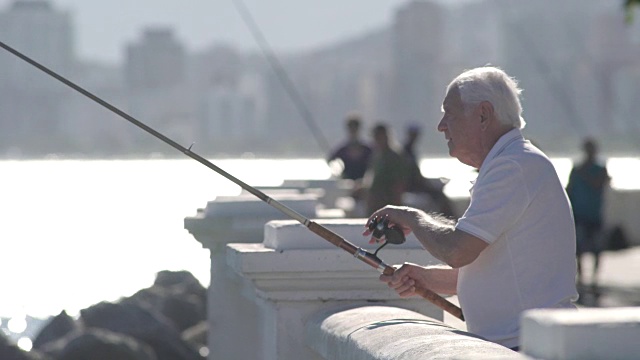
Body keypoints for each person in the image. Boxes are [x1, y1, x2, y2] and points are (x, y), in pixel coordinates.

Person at [363, 66, 578, 350]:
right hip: (521, 343)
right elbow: (492, 270)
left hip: (526, 346)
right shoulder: (512, 163)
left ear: (483, 115)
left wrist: (412, 217)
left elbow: (457, 250)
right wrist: (425, 278)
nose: (441, 126)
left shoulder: (511, 166)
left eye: (449, 113)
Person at [566, 137, 610, 285]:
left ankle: (595, 277)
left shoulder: (600, 169)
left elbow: (600, 184)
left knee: (597, 247)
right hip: (580, 214)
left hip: (595, 214)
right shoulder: (577, 169)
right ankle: (581, 275)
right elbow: (569, 190)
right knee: (579, 247)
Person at [401, 124, 456, 217]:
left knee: (437, 193)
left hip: (414, 183)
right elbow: (410, 174)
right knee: (438, 194)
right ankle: (449, 216)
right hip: (411, 185)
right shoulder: (406, 151)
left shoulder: (409, 150)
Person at [362, 123, 409, 215]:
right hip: (374, 202)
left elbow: (399, 183)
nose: (376, 140)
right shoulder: (376, 156)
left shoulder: (394, 157)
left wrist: (396, 207)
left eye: (379, 136)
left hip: (387, 201)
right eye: (375, 137)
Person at [327, 113, 372, 181]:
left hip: (363, 183)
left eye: (355, 128)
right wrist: (338, 172)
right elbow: (330, 159)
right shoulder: (342, 149)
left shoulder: (367, 149)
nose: (353, 131)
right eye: (351, 128)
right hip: (346, 183)